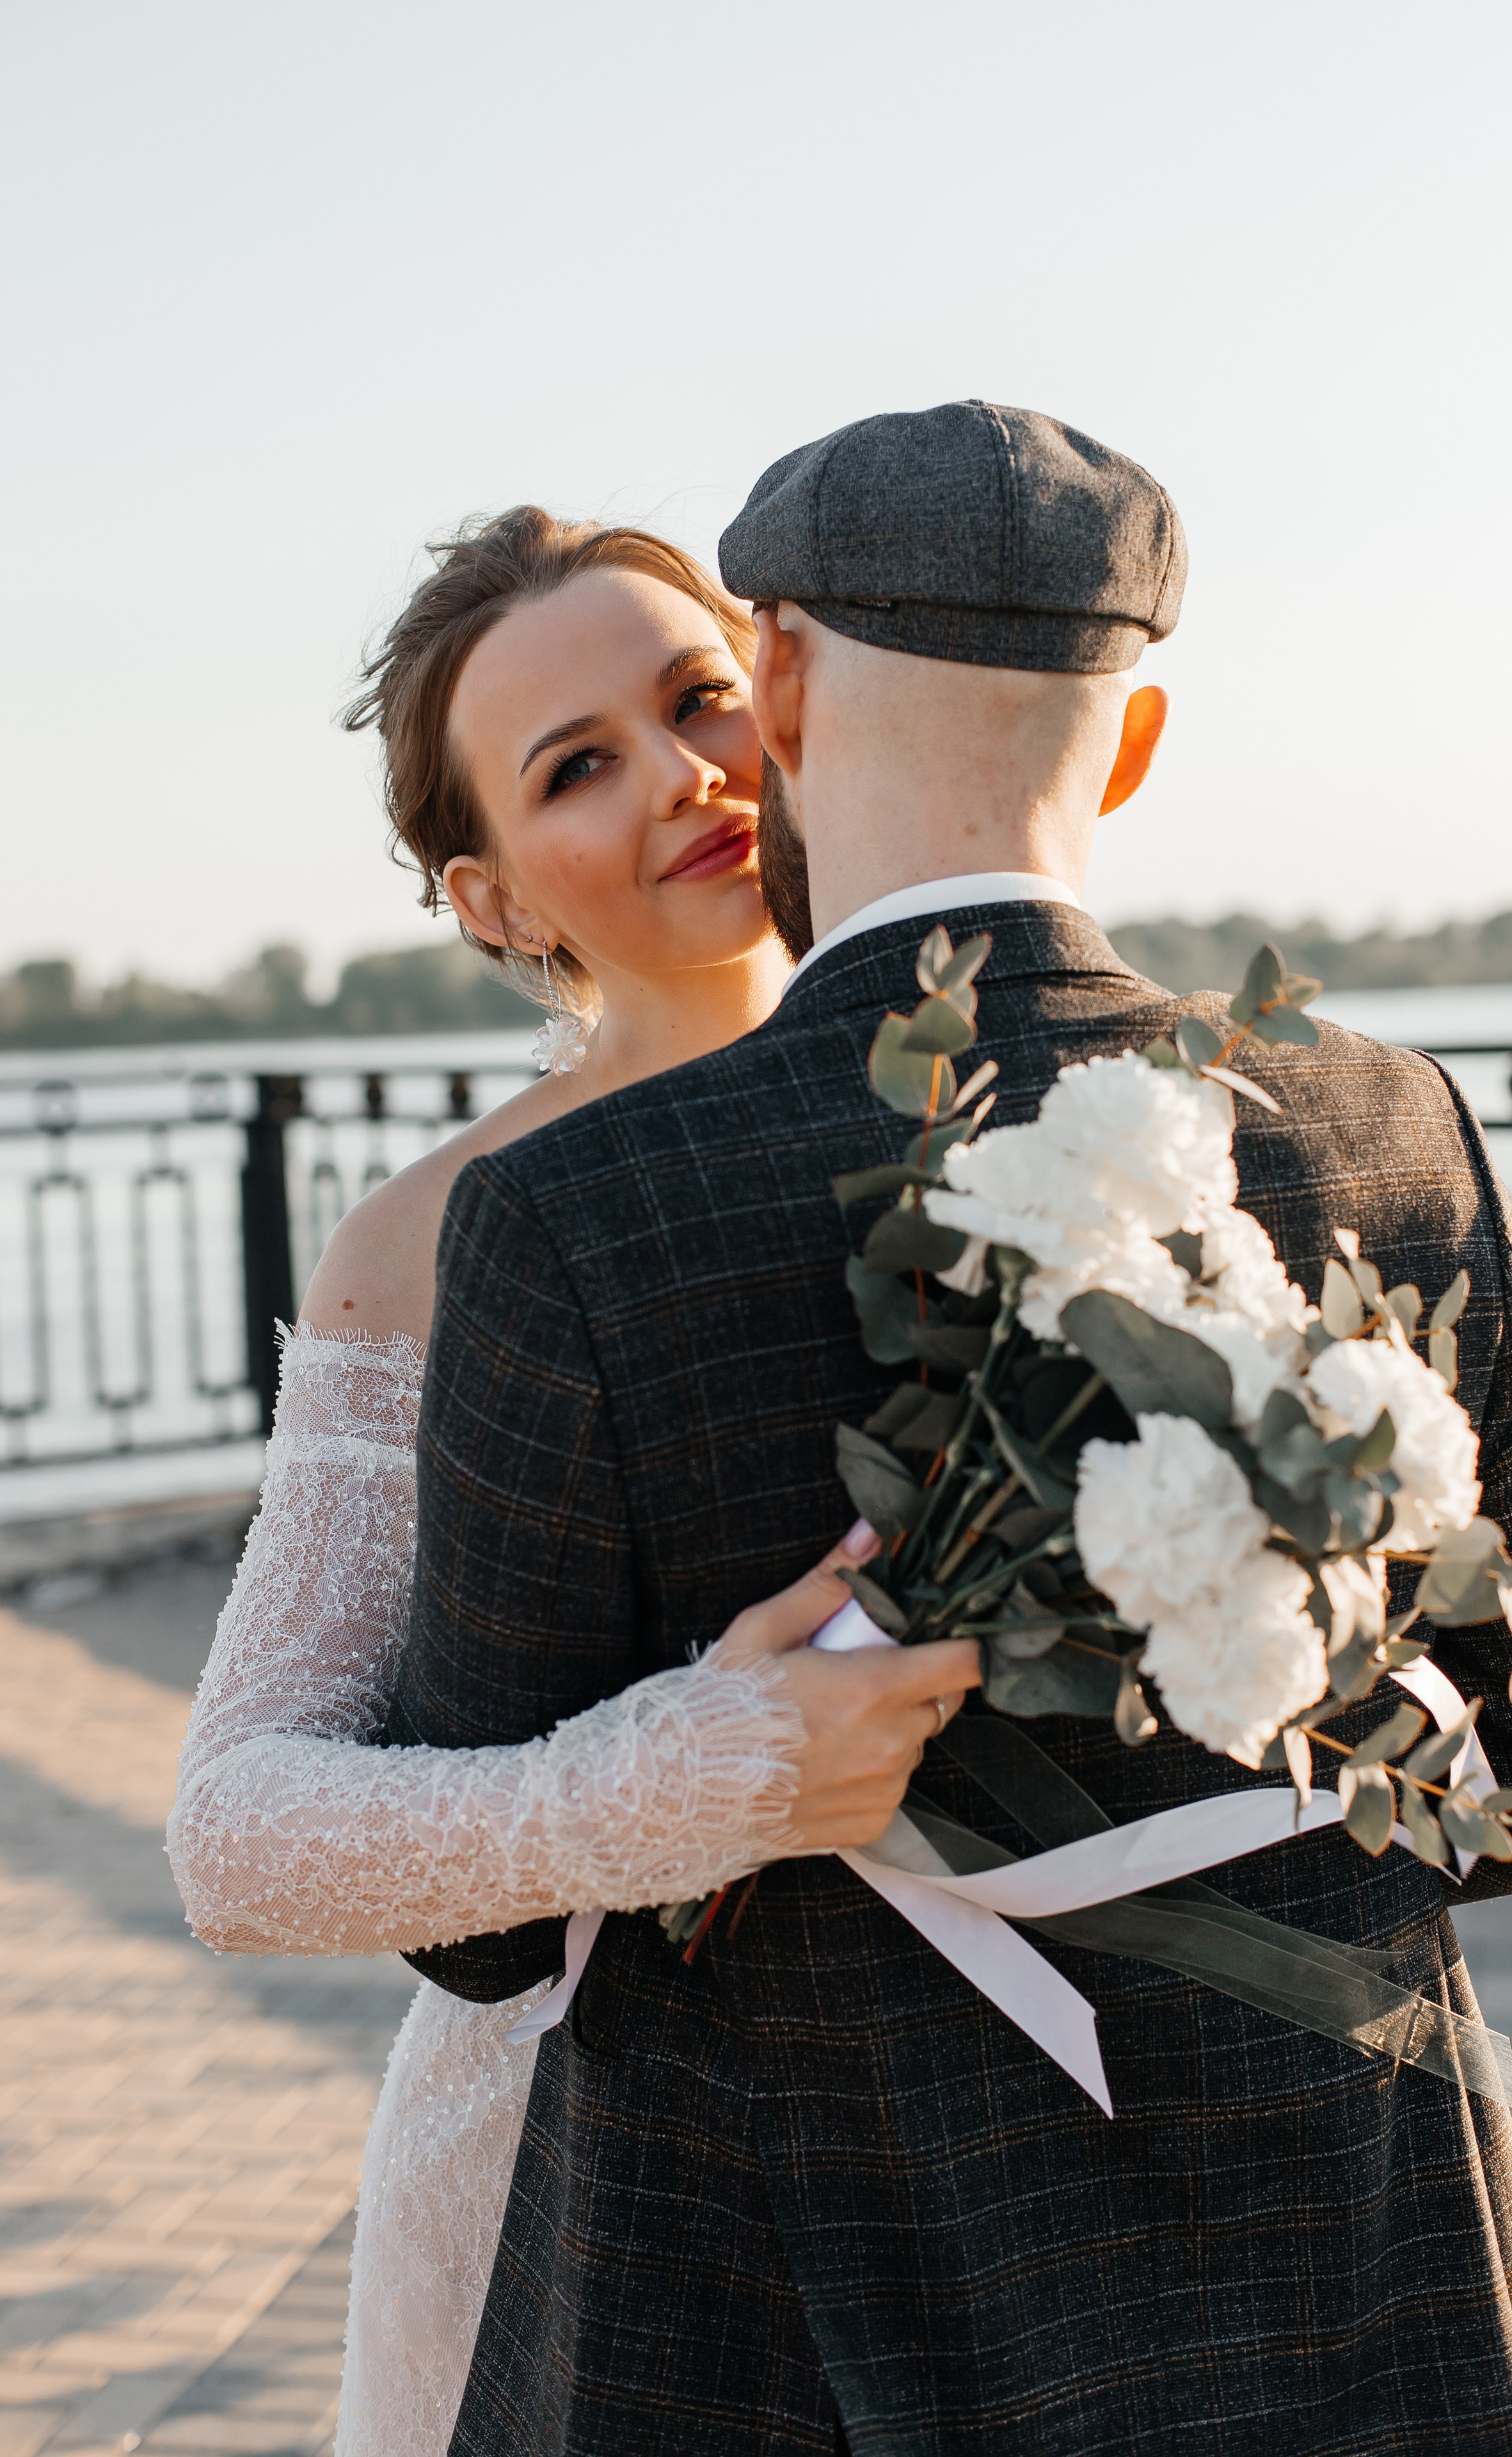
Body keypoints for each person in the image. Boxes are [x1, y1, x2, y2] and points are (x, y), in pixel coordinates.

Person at [390, 401, 1512, 2456]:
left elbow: (487, 1914)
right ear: (1130, 745)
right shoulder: (1394, 1126)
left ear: (774, 685)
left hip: (805, 2330)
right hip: (1370, 2294)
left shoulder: (575, 1217)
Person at [165, 508, 976, 2457]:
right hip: (578, 2160)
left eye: (702, 701)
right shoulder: (428, 1242)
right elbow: (239, 1829)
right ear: (491, 898)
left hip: (1004, 2140)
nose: (687, 779)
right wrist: (672, 1778)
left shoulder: (1029, 1107)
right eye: (575, 768)